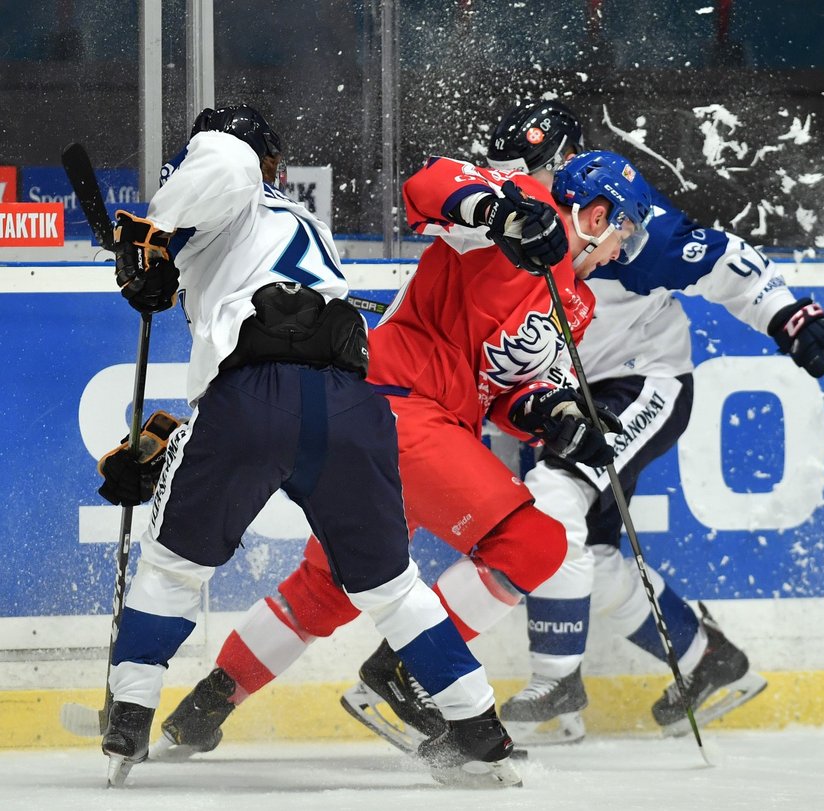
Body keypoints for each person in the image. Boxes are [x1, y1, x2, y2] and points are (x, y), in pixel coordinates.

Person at [144, 146, 653, 756]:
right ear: (596, 215)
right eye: (624, 232)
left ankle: (204, 707)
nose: (623, 251)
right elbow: (429, 184)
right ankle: (407, 676)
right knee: (534, 542)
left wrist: (557, 416)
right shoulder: (526, 206)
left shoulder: (577, 303)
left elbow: (506, 393)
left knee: (330, 586)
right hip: (397, 402)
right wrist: (502, 213)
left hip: (426, 425)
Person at [94, 103, 521, 789]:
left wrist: (151, 237)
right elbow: (281, 362)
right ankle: (478, 729)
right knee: (391, 585)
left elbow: (223, 164)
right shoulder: (300, 222)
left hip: (249, 403)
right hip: (352, 405)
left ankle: (131, 714)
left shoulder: (223, 166)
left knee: (173, 567)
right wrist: (169, 439)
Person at [483, 101, 824, 743]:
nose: (517, 188)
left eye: (531, 173)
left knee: (554, 495)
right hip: (549, 392)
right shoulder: (501, 209)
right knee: (583, 548)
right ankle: (705, 661)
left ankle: (557, 684)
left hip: (637, 381)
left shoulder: (633, 228)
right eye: (506, 174)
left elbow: (724, 261)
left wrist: (793, 318)